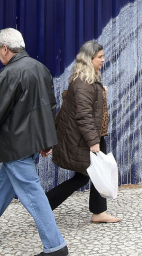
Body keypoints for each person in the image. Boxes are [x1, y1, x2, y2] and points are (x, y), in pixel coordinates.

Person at [0, 28, 68, 256]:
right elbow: (49, 107)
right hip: (30, 144)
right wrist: (46, 141)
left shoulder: (8, 74)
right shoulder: (41, 68)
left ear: (5, 48)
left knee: (32, 193)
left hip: (15, 146)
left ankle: (55, 246)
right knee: (4, 187)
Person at [46, 41, 121, 224]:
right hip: (86, 137)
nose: (103, 60)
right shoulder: (83, 82)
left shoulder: (89, 79)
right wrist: (93, 141)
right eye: (99, 57)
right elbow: (84, 115)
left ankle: (98, 211)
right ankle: (45, 204)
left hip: (93, 134)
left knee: (90, 173)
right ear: (89, 59)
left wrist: (100, 92)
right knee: (85, 175)